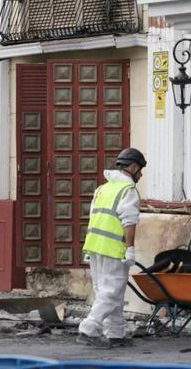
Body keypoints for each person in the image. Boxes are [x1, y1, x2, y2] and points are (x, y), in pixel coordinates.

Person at [77, 147, 147, 348]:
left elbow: (94, 218)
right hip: (113, 249)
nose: (140, 175)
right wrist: (130, 248)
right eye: (140, 169)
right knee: (112, 292)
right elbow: (129, 222)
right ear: (132, 167)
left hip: (96, 247)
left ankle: (115, 333)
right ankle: (88, 329)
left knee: (106, 292)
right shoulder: (128, 190)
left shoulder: (102, 189)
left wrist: (88, 250)